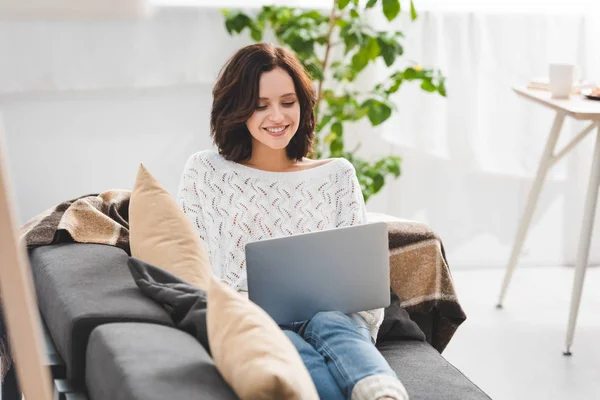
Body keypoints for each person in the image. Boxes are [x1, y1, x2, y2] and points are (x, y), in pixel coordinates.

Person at [177, 43, 408, 400]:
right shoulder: (207, 172)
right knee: (281, 340)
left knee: (330, 321)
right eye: (260, 105)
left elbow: (362, 287)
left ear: (303, 103)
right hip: (252, 318)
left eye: (288, 102)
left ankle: (384, 392)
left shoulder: (337, 175)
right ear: (237, 108)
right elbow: (194, 267)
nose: (277, 116)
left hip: (335, 318)